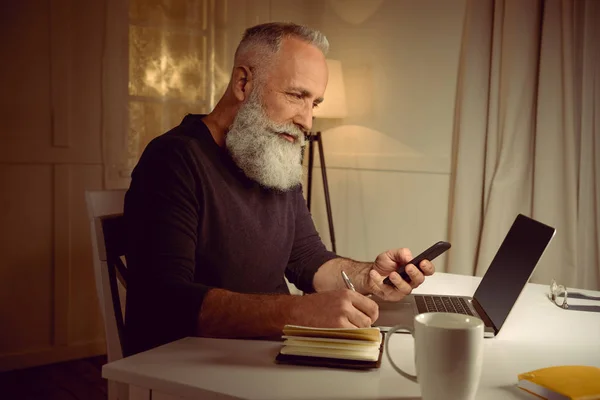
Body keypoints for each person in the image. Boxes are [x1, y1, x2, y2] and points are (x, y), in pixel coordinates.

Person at [123, 21, 435, 356]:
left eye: (313, 103)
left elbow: (308, 260)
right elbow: (163, 304)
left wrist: (369, 275)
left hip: (271, 352)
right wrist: (301, 313)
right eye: (297, 95)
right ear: (243, 83)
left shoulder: (271, 157)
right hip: (196, 361)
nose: (307, 121)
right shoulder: (173, 159)